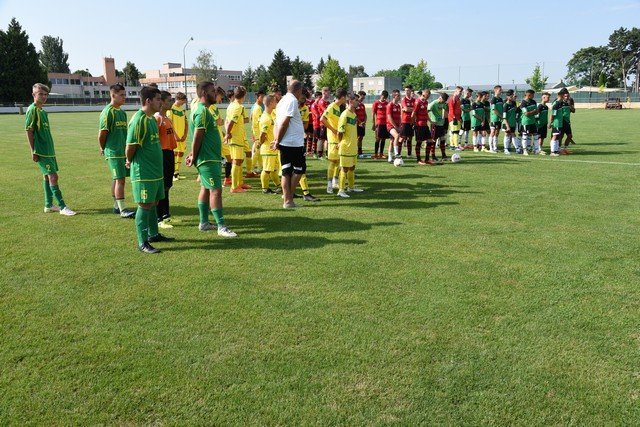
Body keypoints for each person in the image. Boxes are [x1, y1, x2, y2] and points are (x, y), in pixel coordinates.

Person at [185, 81, 237, 238]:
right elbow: (197, 136)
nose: (215, 93)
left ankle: (204, 222)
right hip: (207, 159)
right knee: (216, 191)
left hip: (209, 157)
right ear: (203, 93)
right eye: (212, 91)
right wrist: (194, 155)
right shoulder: (201, 111)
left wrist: (193, 154)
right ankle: (221, 227)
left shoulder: (204, 110)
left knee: (206, 189)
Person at [126, 86, 172, 253]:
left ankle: (153, 234)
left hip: (155, 172)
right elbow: (130, 146)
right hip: (144, 172)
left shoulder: (152, 119)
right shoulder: (139, 120)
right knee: (145, 204)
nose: (161, 102)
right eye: (158, 99)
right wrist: (129, 160)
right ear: (148, 101)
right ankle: (142, 242)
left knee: (154, 202)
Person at [25, 83, 76, 216]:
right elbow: (29, 130)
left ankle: (48, 205)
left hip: (49, 150)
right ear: (33, 94)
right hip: (41, 150)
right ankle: (62, 207)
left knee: (47, 177)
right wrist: (33, 150)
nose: (44, 96)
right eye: (40, 94)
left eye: (45, 94)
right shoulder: (32, 110)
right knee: (53, 176)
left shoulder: (42, 111)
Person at [98, 83, 134, 218]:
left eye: (125, 95)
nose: (124, 97)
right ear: (113, 95)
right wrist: (103, 147)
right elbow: (102, 134)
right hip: (114, 152)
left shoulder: (122, 113)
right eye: (121, 95)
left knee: (118, 179)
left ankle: (116, 206)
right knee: (120, 180)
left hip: (123, 151)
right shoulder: (108, 112)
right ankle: (123, 210)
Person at [273, 80, 307, 209]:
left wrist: (277, 139)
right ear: (298, 90)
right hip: (293, 143)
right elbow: (284, 123)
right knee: (298, 170)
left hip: (286, 142)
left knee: (286, 171)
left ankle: (287, 198)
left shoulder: (282, 101)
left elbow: (277, 123)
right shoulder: (292, 101)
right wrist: (277, 140)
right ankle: (288, 199)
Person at [154, 91, 177, 229]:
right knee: (161, 187)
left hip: (169, 153)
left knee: (167, 185)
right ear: (161, 102)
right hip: (161, 154)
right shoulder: (157, 118)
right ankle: (158, 218)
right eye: (169, 100)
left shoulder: (167, 118)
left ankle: (166, 214)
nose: (171, 102)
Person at [336, 93, 364, 198]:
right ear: (351, 101)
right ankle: (341, 190)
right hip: (346, 147)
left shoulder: (353, 114)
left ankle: (351, 187)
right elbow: (340, 132)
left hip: (353, 146)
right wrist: (340, 143)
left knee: (352, 167)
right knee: (344, 169)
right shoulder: (344, 115)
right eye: (356, 100)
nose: (358, 102)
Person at [224, 86, 251, 193]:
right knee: (236, 161)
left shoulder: (231, 105)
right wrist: (228, 133)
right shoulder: (237, 107)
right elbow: (231, 122)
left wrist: (228, 133)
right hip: (236, 138)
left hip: (238, 137)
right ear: (244, 95)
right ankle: (234, 187)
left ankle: (240, 183)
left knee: (239, 160)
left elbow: (227, 121)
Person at [321, 88, 347, 194]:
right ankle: (329, 185)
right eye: (346, 97)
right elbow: (322, 119)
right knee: (333, 162)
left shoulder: (338, 107)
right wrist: (333, 130)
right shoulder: (332, 106)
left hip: (339, 138)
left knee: (338, 161)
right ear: (343, 97)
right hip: (332, 139)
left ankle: (335, 181)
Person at [257, 94, 280, 194]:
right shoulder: (266, 118)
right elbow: (262, 134)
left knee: (273, 169)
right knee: (266, 170)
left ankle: (279, 186)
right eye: (275, 101)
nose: (276, 103)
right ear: (270, 103)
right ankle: (265, 189)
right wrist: (260, 143)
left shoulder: (269, 116)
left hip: (271, 148)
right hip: (268, 148)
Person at [167, 92, 188, 181]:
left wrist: (185, 135)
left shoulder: (182, 110)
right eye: (183, 101)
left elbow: (186, 123)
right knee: (174, 154)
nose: (184, 102)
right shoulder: (171, 109)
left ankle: (176, 173)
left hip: (182, 137)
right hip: (174, 137)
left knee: (181, 153)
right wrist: (174, 135)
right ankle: (172, 174)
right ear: (178, 99)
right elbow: (169, 123)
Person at [412, 88, 433, 165]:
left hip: (425, 125)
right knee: (419, 142)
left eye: (429, 96)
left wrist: (430, 121)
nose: (428, 97)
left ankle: (427, 159)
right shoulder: (417, 102)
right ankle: (418, 160)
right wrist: (413, 123)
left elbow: (426, 113)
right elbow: (413, 114)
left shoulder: (426, 102)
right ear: (424, 94)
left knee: (430, 141)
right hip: (419, 125)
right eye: (428, 96)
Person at [428, 92, 449, 161]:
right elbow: (426, 111)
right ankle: (433, 155)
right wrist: (431, 121)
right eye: (443, 100)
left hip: (441, 124)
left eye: (445, 101)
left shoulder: (444, 103)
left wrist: (444, 120)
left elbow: (446, 110)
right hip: (435, 125)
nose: (443, 102)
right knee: (434, 140)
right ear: (440, 98)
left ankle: (443, 155)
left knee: (442, 139)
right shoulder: (434, 103)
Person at [519, 89, 540, 155]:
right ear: (529, 95)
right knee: (525, 136)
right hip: (526, 122)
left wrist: (532, 112)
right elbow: (526, 114)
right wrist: (533, 111)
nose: (533, 96)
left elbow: (537, 111)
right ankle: (524, 150)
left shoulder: (533, 101)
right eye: (533, 95)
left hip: (533, 121)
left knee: (535, 135)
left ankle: (536, 150)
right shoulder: (523, 103)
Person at [249, 89, 265, 176]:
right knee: (256, 152)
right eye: (261, 97)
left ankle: (259, 168)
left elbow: (251, 118)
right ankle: (251, 169)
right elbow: (259, 122)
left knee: (258, 152)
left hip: (256, 132)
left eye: (263, 97)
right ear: (257, 97)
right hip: (258, 133)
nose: (263, 98)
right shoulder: (258, 108)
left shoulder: (256, 106)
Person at [371, 90, 389, 159]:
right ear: (381, 95)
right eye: (383, 97)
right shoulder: (376, 103)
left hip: (385, 124)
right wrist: (373, 124)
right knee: (378, 139)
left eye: (385, 98)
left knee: (383, 139)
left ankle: (381, 153)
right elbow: (373, 114)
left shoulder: (387, 103)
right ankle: (375, 154)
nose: (384, 99)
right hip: (379, 124)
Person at [386, 89, 402, 162]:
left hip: (397, 126)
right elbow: (389, 117)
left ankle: (390, 158)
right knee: (397, 136)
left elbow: (399, 116)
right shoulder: (390, 105)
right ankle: (396, 153)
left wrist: (400, 125)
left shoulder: (398, 105)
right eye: (398, 95)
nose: (399, 97)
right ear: (394, 96)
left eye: (399, 95)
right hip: (391, 126)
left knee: (392, 141)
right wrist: (395, 126)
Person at [315, 87, 331, 158]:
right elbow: (326, 111)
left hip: (328, 122)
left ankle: (327, 153)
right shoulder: (321, 101)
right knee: (321, 138)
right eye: (328, 92)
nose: (329, 94)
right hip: (323, 123)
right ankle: (319, 154)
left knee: (327, 138)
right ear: (324, 92)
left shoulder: (328, 102)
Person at [400, 84, 415, 157]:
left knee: (410, 138)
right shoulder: (404, 99)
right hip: (405, 121)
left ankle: (409, 154)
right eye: (405, 90)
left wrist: (409, 109)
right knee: (402, 137)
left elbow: (416, 110)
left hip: (412, 121)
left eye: (408, 90)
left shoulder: (414, 100)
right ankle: (398, 154)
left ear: (411, 91)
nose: (406, 92)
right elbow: (406, 109)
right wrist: (411, 109)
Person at [549, 92, 566, 157]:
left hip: (560, 123)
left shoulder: (560, 103)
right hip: (556, 123)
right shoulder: (556, 104)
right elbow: (553, 114)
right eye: (564, 96)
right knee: (555, 136)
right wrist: (550, 123)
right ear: (560, 96)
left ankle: (556, 150)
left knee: (558, 137)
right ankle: (552, 152)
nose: (565, 97)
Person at [489, 85, 504, 153]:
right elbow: (494, 109)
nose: (501, 91)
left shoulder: (500, 99)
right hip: (494, 118)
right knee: (492, 132)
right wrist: (501, 116)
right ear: (495, 90)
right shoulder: (493, 99)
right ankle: (491, 148)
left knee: (497, 132)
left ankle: (495, 147)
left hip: (499, 119)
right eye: (499, 90)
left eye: (501, 90)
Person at [447, 86, 463, 150]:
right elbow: (451, 109)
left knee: (453, 132)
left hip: (457, 117)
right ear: (455, 91)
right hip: (453, 118)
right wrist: (453, 117)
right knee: (455, 132)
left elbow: (458, 109)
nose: (460, 93)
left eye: (461, 92)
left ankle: (452, 146)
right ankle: (456, 146)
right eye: (459, 91)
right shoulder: (452, 99)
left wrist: (460, 117)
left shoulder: (458, 99)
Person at [502, 90, 517, 154]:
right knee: (507, 135)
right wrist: (507, 126)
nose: (513, 97)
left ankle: (517, 149)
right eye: (511, 96)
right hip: (507, 123)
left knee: (513, 135)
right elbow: (504, 117)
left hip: (513, 123)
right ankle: (506, 149)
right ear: (508, 97)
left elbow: (516, 110)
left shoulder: (513, 103)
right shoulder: (505, 105)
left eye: (513, 96)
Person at [310, 91, 322, 156]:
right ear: (316, 97)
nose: (321, 99)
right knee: (316, 138)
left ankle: (319, 153)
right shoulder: (313, 105)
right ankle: (314, 152)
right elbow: (317, 116)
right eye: (320, 97)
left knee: (320, 138)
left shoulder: (319, 105)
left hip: (321, 124)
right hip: (316, 124)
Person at [355, 90, 367, 157]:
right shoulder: (355, 104)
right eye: (362, 98)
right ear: (358, 96)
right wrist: (360, 122)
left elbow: (365, 114)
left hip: (362, 124)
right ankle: (356, 151)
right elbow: (354, 115)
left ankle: (360, 151)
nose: (363, 99)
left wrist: (364, 122)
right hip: (357, 124)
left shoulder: (362, 105)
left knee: (361, 138)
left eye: (364, 98)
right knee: (357, 137)